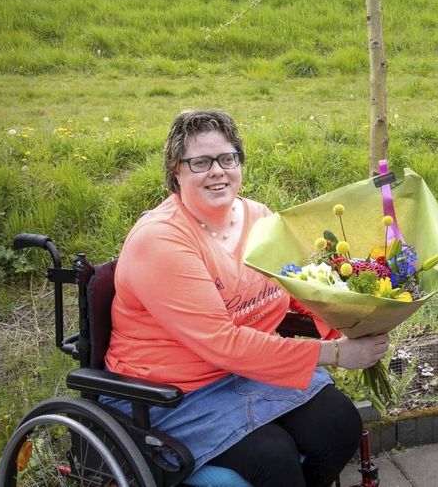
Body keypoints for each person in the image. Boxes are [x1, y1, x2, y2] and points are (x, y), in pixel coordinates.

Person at [102, 108, 389, 487]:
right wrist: (335, 355)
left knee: (339, 424)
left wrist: (352, 321)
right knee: (274, 459)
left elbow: (296, 287)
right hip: (170, 394)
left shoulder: (258, 218)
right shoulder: (161, 241)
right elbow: (222, 342)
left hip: (247, 372)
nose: (217, 171)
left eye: (227, 158)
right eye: (201, 162)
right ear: (176, 170)